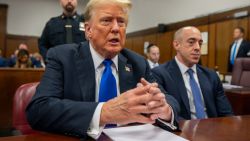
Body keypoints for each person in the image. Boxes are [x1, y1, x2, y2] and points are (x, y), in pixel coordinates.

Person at [26, 0, 179, 139]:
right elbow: (39, 110)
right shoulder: (62, 57)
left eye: (121, 22)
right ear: (88, 30)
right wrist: (104, 112)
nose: (115, 28)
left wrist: (163, 109)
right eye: (106, 21)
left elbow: (168, 99)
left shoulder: (137, 62)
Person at [152, 26, 233, 120]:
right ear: (176, 45)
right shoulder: (159, 74)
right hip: (182, 130)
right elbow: (165, 114)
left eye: (200, 43)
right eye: (191, 42)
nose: (198, 48)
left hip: (213, 129)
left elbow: (226, 113)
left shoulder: (211, 75)